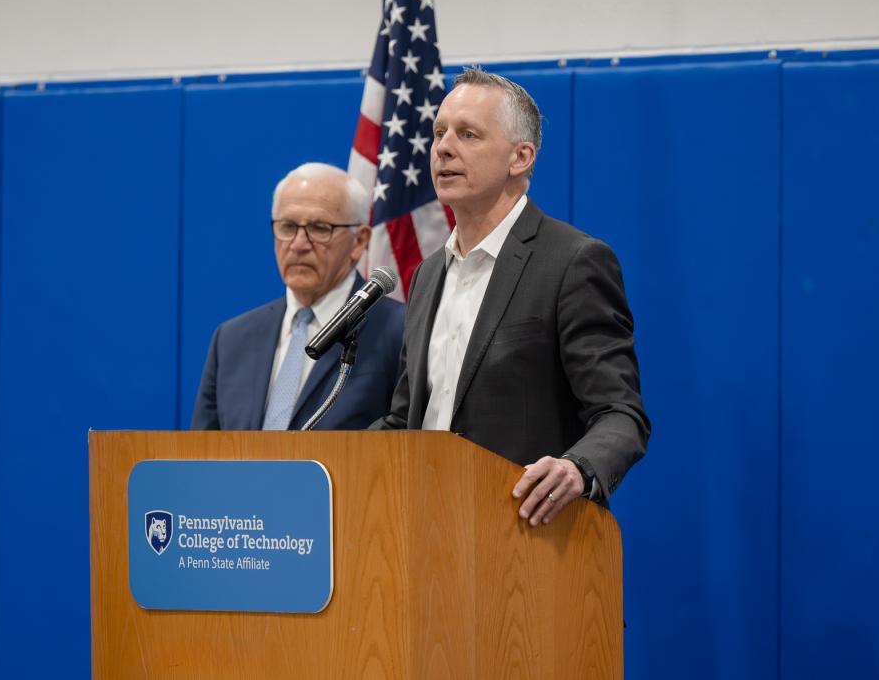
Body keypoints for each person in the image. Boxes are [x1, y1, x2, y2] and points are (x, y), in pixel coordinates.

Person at [371, 68, 650, 525]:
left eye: (468, 134)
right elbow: (406, 421)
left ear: (520, 157)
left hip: (522, 534)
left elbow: (620, 414)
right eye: (439, 133)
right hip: (425, 531)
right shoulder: (427, 274)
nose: (443, 148)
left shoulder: (572, 262)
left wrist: (576, 468)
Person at [192, 163, 405, 431]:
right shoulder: (231, 340)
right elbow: (203, 451)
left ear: (359, 241)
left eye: (319, 228)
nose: (298, 244)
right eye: (288, 226)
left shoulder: (400, 330)